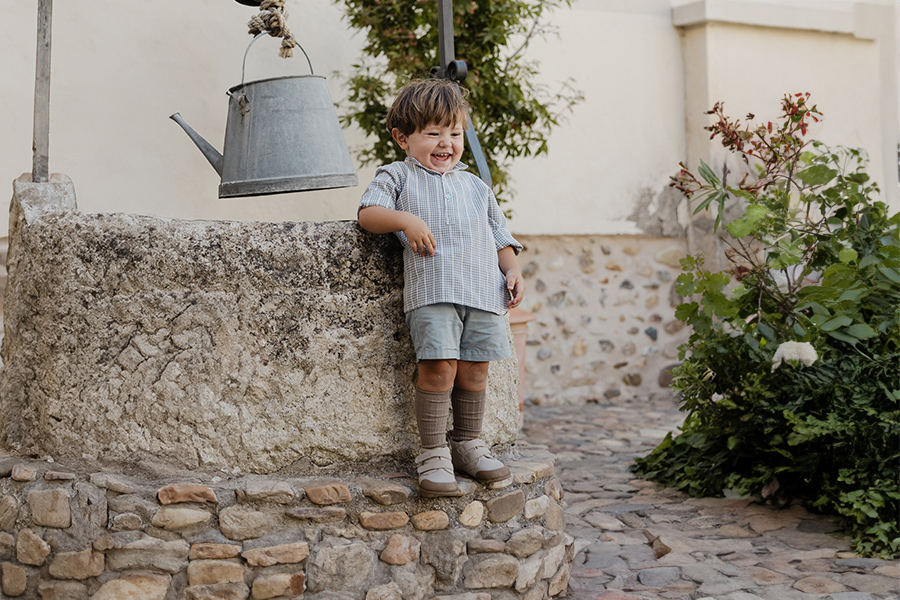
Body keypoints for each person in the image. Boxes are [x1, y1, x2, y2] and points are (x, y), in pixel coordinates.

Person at [357, 78, 524, 497]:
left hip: (484, 295)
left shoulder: (475, 186)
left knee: (475, 370)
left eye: (454, 132)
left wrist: (512, 269)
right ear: (403, 138)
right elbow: (368, 214)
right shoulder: (397, 175)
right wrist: (406, 221)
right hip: (434, 294)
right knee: (439, 368)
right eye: (432, 133)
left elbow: (499, 235)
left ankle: (468, 442)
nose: (445, 142)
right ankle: (432, 453)